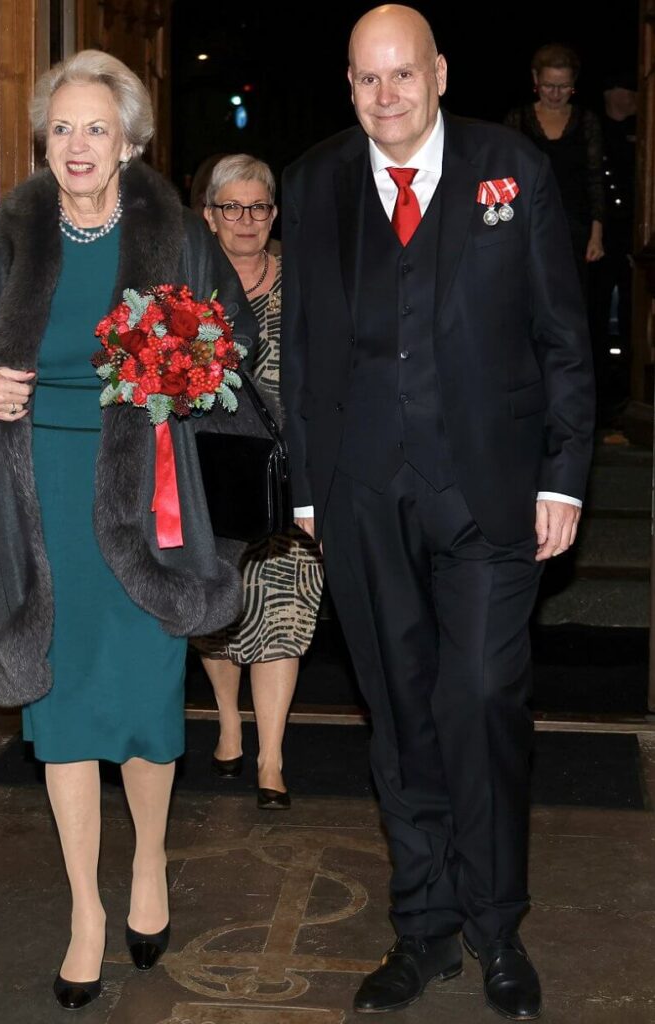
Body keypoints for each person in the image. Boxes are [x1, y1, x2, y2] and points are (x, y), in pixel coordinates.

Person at [0, 50, 257, 1011]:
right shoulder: (9, 241)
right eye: (62, 128)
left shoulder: (181, 239)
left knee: (149, 707)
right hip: (37, 499)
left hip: (144, 500)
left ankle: (149, 860)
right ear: (46, 141)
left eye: (96, 129)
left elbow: (229, 345)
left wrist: (186, 377)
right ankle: (85, 910)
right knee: (59, 703)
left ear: (130, 143)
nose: (77, 146)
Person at [281, 6, 594, 1020]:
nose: (385, 96)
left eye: (402, 75)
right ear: (348, 84)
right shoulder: (316, 179)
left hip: (491, 497)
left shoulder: (511, 169)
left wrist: (562, 474)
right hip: (361, 500)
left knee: (478, 699)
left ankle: (494, 926)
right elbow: (301, 348)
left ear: (439, 73)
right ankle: (422, 929)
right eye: (367, 79)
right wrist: (308, 487)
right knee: (399, 719)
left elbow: (559, 332)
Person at [192, 154, 324, 809]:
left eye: (259, 207)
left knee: (286, 608)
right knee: (216, 611)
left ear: (274, 214)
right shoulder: (185, 286)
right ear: (209, 214)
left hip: (286, 473)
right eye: (231, 207)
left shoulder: (305, 282)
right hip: (204, 472)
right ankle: (228, 721)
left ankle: (271, 758)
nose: (246, 220)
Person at [504, 43, 605, 294]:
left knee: (572, 300)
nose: (556, 93)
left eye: (564, 86)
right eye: (549, 85)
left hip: (575, 230)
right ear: (535, 78)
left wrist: (597, 235)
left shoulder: (587, 121)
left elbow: (595, 180)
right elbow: (504, 178)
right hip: (527, 227)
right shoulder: (517, 120)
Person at [590, 69, 637, 419]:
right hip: (602, 237)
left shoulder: (643, 128)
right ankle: (602, 392)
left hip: (635, 236)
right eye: (628, 87)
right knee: (596, 310)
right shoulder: (595, 129)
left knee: (633, 312)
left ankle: (629, 389)